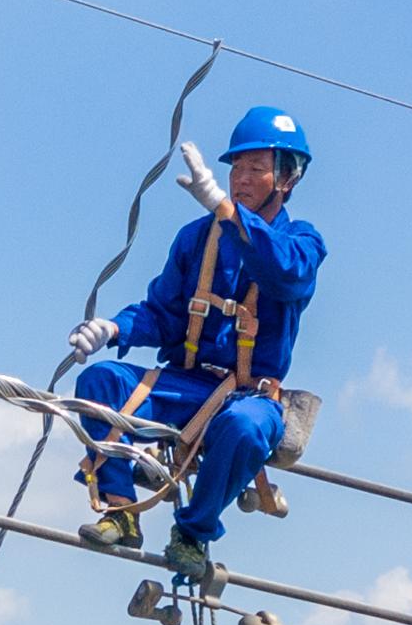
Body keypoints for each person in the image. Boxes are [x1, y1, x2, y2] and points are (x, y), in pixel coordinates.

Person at [68, 105, 324, 582]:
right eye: (236, 169)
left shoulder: (303, 242)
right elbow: (164, 314)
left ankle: (194, 531)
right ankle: (121, 511)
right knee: (99, 381)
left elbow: (284, 274)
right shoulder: (196, 240)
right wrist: (116, 329)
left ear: (287, 178)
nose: (240, 179)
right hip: (185, 386)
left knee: (246, 428)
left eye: (255, 169)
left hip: (249, 395)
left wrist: (229, 217)